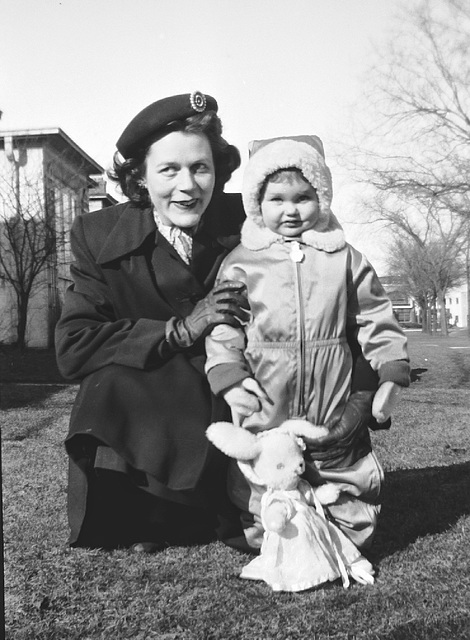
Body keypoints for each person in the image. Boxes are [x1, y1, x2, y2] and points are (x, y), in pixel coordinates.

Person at [55, 91, 250, 552]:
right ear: (140, 177)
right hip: (155, 403)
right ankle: (146, 512)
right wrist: (178, 330)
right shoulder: (97, 234)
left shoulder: (252, 220)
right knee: (108, 383)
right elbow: (74, 346)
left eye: (200, 168)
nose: (188, 186)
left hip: (235, 388)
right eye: (168, 170)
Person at [205, 135, 410, 551]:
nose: (291, 210)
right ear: (257, 204)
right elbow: (224, 326)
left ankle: (346, 531)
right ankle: (269, 537)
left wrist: (390, 368)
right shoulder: (243, 261)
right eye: (277, 199)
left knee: (333, 449)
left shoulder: (345, 258)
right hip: (265, 384)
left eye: (303, 197)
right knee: (267, 457)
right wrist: (229, 376)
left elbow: (374, 315)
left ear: (323, 197)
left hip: (330, 377)